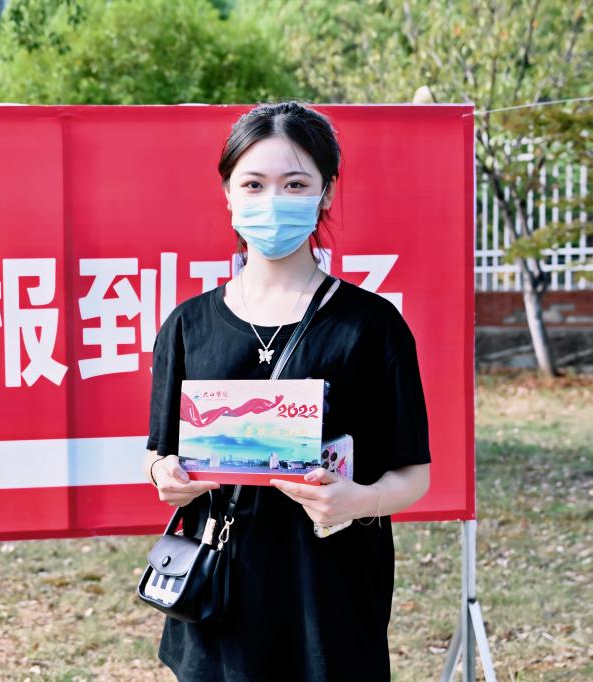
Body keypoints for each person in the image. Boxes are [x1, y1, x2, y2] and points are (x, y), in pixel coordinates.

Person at [142, 101, 431, 681]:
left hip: (331, 597)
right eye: (254, 183)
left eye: (295, 183)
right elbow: (159, 453)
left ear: (326, 192)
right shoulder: (187, 325)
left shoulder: (372, 326)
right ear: (228, 193)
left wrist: (358, 501)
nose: (272, 199)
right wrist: (164, 477)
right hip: (220, 596)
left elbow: (413, 475)